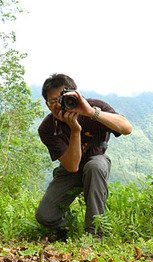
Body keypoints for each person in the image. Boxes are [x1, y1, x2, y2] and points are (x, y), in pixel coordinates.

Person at [35, 73, 133, 240]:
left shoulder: (93, 106)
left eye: (62, 98)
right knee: (45, 216)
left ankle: (95, 235)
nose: (59, 105)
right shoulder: (47, 128)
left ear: (74, 95)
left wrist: (91, 112)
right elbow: (72, 166)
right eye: (53, 101)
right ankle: (67, 228)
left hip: (96, 159)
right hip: (70, 167)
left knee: (94, 167)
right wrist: (75, 130)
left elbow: (127, 128)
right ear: (47, 104)